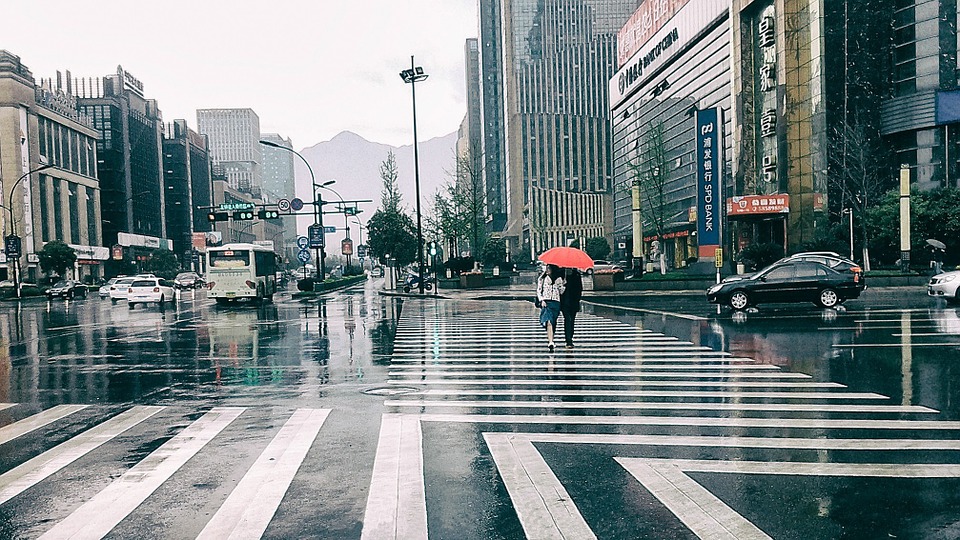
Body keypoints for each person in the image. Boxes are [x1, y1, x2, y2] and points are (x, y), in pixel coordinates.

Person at [536, 264, 565, 352]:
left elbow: (561, 291)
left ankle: (551, 337)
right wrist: (542, 300)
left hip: (556, 302)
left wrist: (563, 284)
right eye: (546, 268)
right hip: (546, 302)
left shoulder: (558, 279)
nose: (547, 269)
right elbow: (539, 290)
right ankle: (550, 341)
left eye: (549, 268)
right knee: (548, 321)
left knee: (553, 322)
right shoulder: (542, 278)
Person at [560, 268, 583, 349]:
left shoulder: (576, 274)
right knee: (567, 319)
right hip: (564, 302)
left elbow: (579, 288)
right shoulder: (561, 273)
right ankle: (568, 340)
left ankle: (570, 337)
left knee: (572, 320)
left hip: (573, 302)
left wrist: (577, 299)